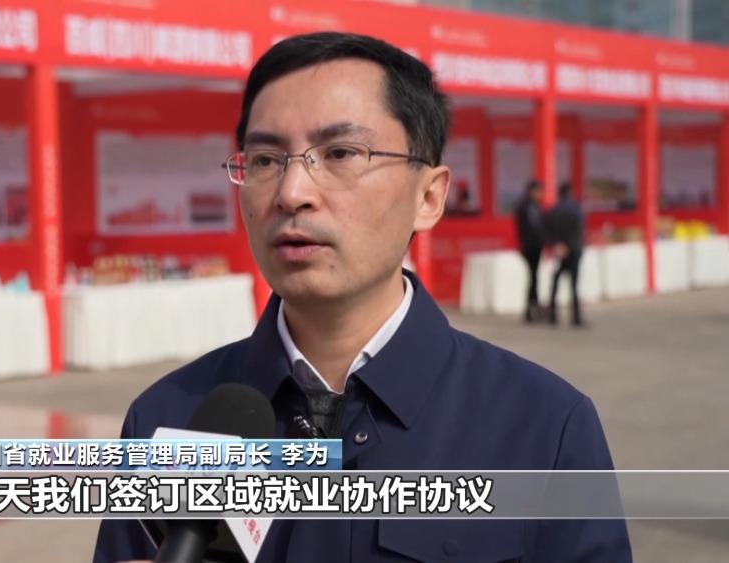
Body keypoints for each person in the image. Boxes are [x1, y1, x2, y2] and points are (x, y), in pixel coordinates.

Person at [94, 32, 630, 562]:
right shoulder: (166, 419)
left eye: (340, 153)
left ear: (428, 197)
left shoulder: (544, 429)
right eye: (265, 159)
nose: (291, 193)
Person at [545, 182, 588, 327]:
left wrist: (558, 244)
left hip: (559, 250)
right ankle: (576, 317)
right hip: (574, 250)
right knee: (574, 284)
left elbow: (547, 228)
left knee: (555, 282)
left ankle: (552, 315)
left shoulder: (553, 210)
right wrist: (571, 245)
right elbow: (579, 230)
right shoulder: (576, 209)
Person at [514, 179, 546, 322]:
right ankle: (531, 310)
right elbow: (534, 227)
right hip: (531, 246)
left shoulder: (528, 205)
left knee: (534, 278)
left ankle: (533, 308)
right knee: (533, 278)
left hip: (530, 245)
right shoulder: (528, 206)